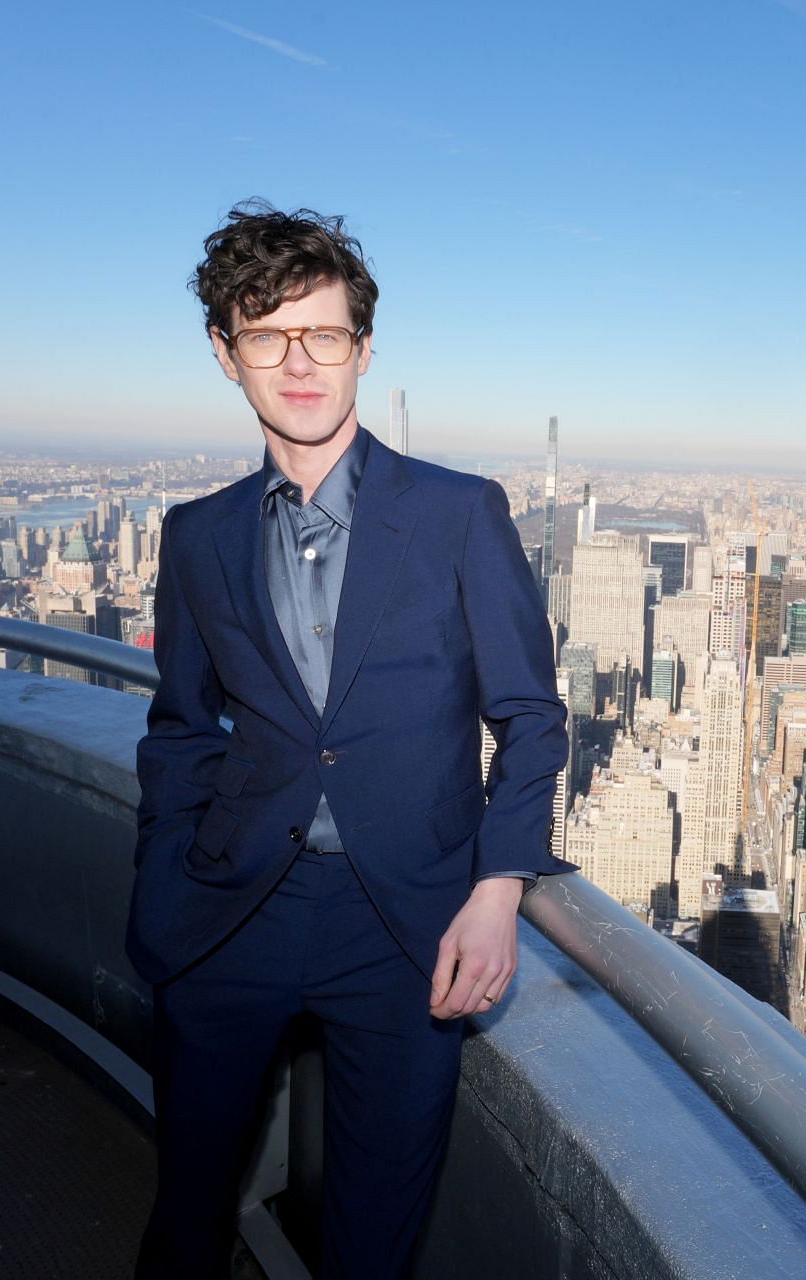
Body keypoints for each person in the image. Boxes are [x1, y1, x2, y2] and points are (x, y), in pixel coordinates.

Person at [126, 200, 571, 1278]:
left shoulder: (462, 513)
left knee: (375, 1239)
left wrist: (499, 885)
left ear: (364, 350)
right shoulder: (197, 535)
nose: (300, 361)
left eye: (323, 333)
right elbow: (182, 729)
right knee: (185, 1215)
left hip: (406, 927)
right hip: (231, 915)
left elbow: (531, 716)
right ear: (226, 354)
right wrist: (162, 900)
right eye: (267, 334)